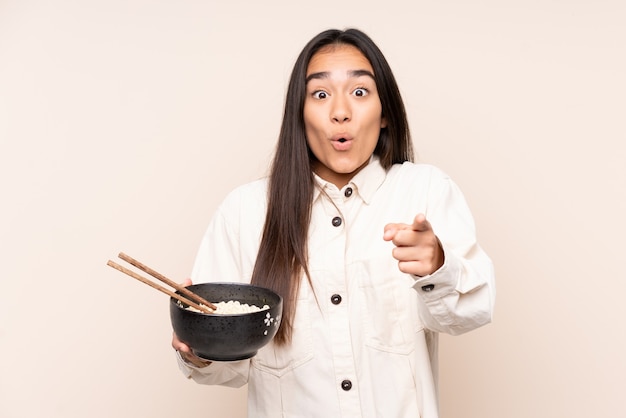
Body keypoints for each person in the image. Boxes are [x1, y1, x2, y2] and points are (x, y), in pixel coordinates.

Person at [172, 28, 495, 418]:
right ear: (299, 114)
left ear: (386, 113)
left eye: (360, 92)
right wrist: (200, 348)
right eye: (320, 94)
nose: (340, 112)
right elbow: (231, 369)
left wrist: (438, 266)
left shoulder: (424, 190)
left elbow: (472, 312)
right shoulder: (245, 211)